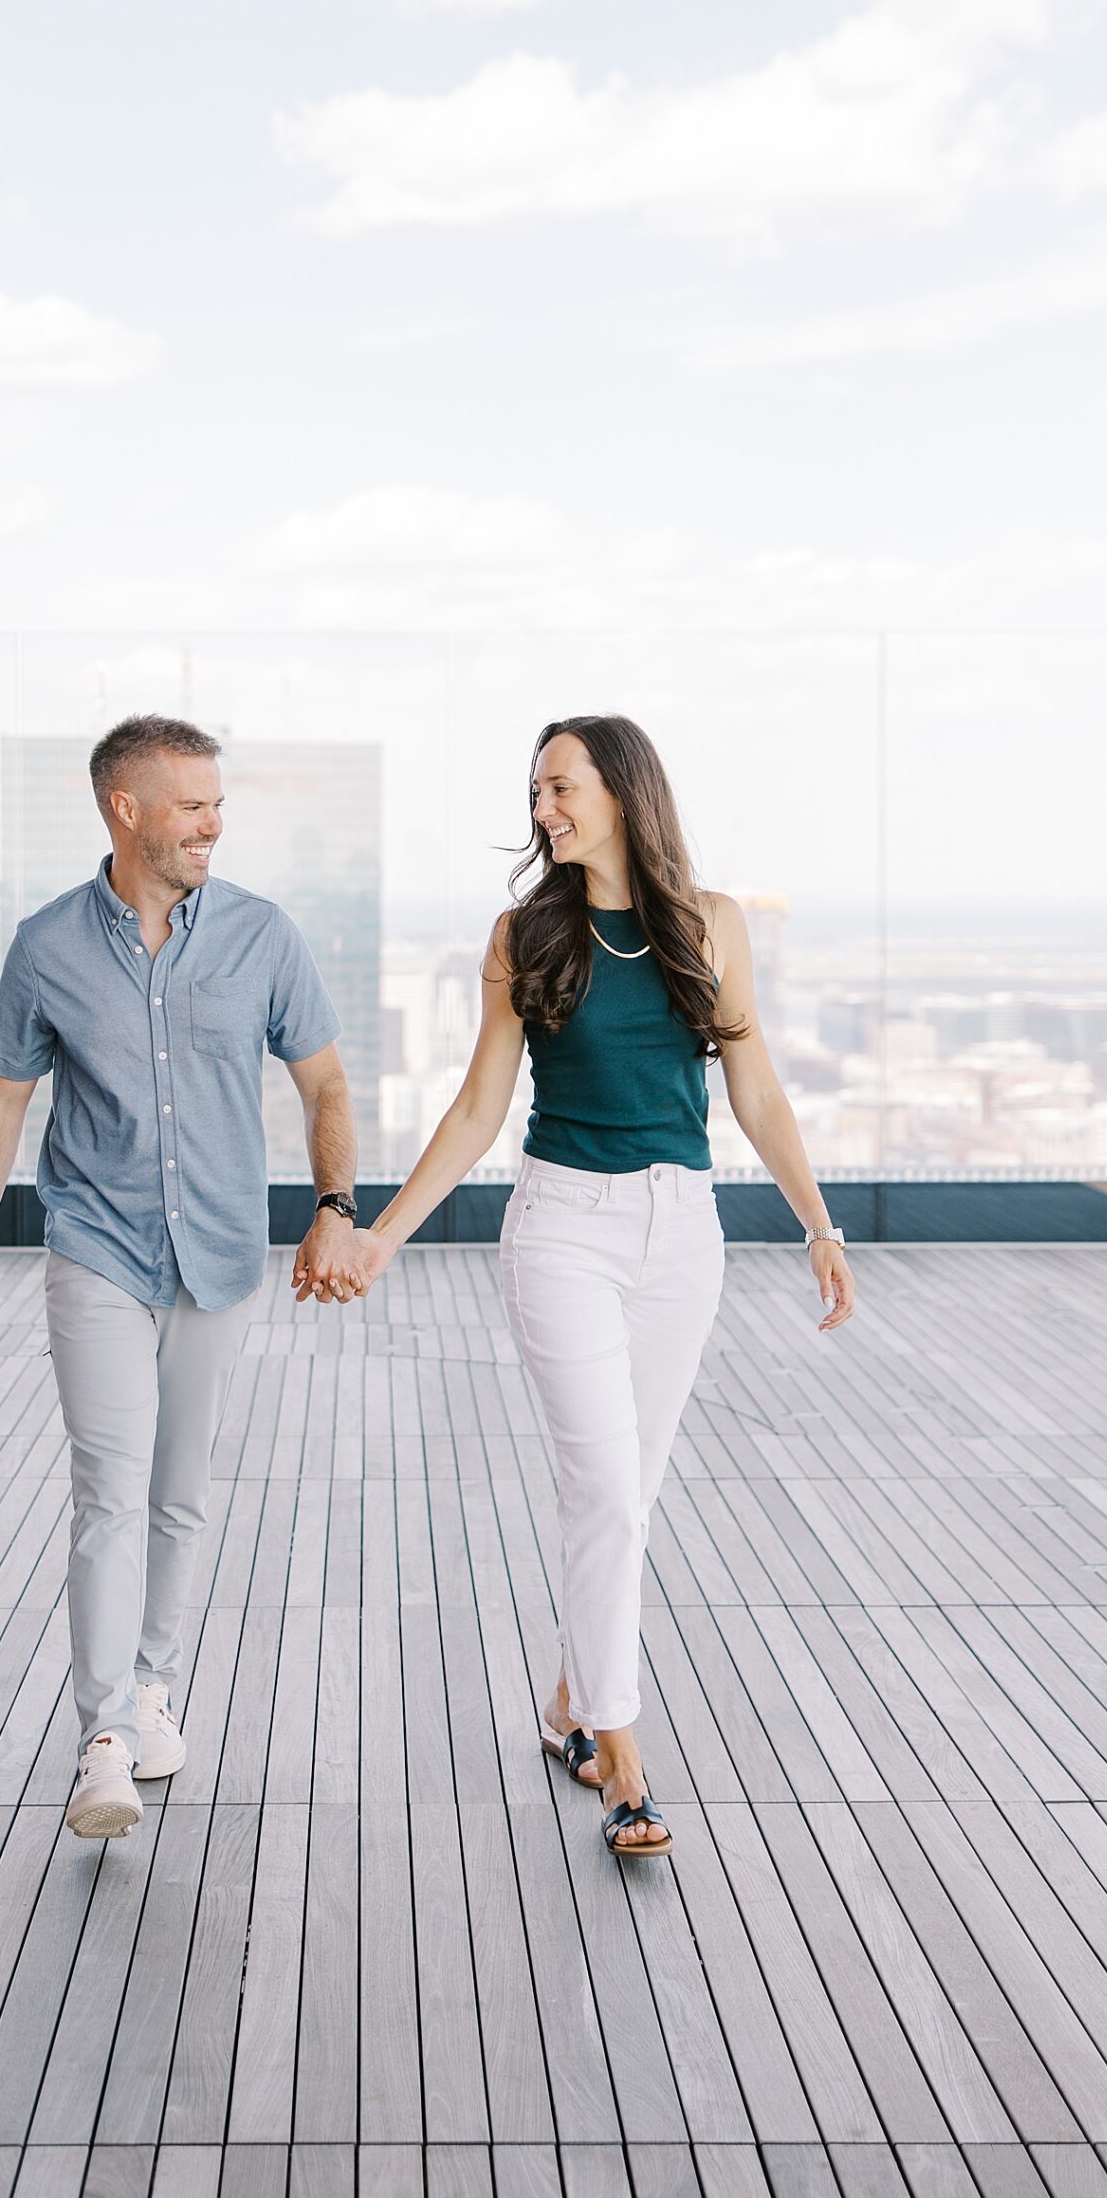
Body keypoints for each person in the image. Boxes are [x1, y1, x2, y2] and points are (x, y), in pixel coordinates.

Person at [346, 715, 855, 1857]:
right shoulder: (522, 933)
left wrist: (817, 1223)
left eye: (561, 786)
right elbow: (479, 1108)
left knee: (626, 1494)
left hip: (683, 1234)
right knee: (607, 1493)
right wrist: (382, 1238)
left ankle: (570, 1698)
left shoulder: (710, 924)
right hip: (562, 1232)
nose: (542, 809)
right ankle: (621, 1761)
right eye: (536, 791)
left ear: (623, 791)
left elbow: (757, 1089)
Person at [0, 713, 366, 1841]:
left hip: (220, 1248)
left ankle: (151, 1687)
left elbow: (325, 1084)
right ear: (124, 810)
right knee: (108, 1482)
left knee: (179, 1491)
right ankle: (100, 1739)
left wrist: (334, 1207)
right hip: (96, 1244)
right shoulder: (46, 946)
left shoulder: (263, 937)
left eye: (218, 802)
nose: (213, 823)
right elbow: (2, 1099)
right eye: (192, 804)